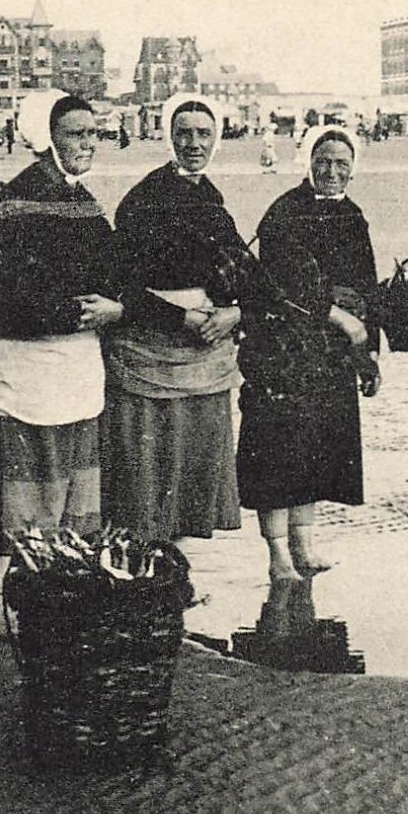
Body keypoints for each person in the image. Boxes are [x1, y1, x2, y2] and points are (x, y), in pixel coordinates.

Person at [0, 90, 121, 638]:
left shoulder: (84, 202)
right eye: (75, 134)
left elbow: (111, 272)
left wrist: (114, 305)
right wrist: (80, 309)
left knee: (61, 490)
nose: (87, 143)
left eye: (93, 134)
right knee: (6, 493)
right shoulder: (12, 200)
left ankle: (50, 598)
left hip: (71, 368)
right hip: (12, 371)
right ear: (47, 137)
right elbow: (10, 291)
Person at [102, 94, 252, 545]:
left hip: (204, 355)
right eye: (183, 133)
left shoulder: (211, 198)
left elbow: (243, 271)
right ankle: (145, 577)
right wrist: (181, 317)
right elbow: (122, 286)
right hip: (149, 354)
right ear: (169, 136)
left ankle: (172, 571)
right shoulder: (143, 200)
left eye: (203, 134)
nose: (193, 143)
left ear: (216, 139)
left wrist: (234, 313)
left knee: (190, 470)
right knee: (147, 476)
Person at [237, 126, 380, 580]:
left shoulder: (354, 216)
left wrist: (367, 355)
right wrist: (339, 317)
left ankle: (304, 544)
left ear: (354, 167)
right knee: (278, 453)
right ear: (308, 162)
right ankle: (278, 556)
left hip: (332, 357)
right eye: (323, 161)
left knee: (315, 451)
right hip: (284, 353)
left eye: (341, 163)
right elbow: (283, 286)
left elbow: (367, 288)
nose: (332, 171)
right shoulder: (284, 213)